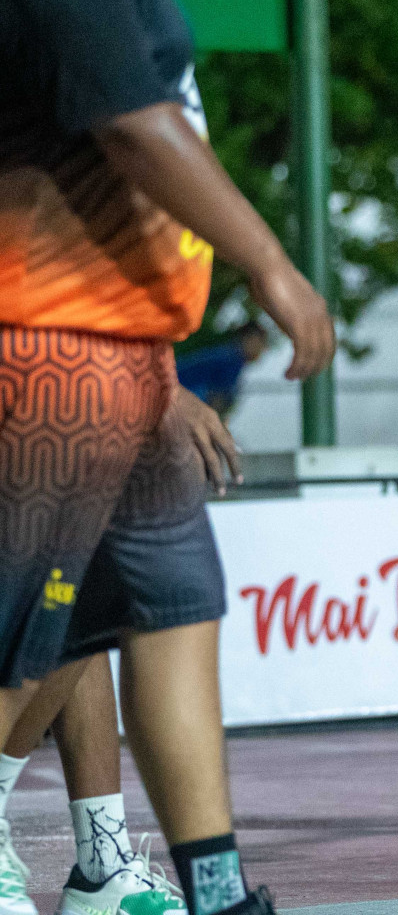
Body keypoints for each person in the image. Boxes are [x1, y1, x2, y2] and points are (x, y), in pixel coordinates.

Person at [0, 0, 335, 912]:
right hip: (51, 337)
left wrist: (161, 363)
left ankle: (216, 892)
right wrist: (273, 263)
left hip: (123, 344)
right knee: (26, 641)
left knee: (171, 612)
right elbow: (132, 121)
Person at [0, 387, 241, 915]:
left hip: (102, 384)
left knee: (101, 599)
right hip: (58, 380)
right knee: (142, 599)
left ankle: (109, 865)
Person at [176, 322, 270, 418]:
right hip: (176, 401)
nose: (262, 350)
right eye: (261, 343)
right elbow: (214, 404)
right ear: (250, 338)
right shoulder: (233, 362)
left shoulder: (227, 353)